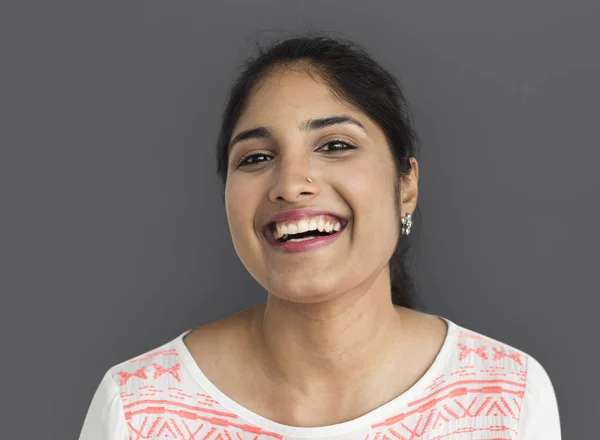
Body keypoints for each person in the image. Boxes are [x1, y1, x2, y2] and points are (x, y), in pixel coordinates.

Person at [78, 35, 561, 439]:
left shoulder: (506, 396)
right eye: (256, 157)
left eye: (335, 145)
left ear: (406, 186)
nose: (290, 185)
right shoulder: (137, 407)